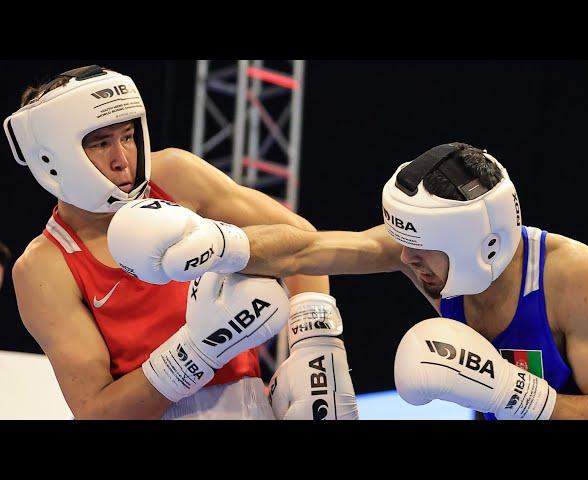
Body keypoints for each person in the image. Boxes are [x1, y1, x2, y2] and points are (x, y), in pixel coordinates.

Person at [118, 141, 588, 419]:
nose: (406, 261)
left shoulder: (574, 276)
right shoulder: (425, 253)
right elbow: (309, 248)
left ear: (481, 243)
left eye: (421, 249)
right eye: (402, 243)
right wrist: (225, 246)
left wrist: (518, 397)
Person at [5, 65, 358, 420]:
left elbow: (301, 244)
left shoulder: (174, 177)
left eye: (127, 136)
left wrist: (317, 349)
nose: (122, 159)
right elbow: (96, 411)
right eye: (100, 143)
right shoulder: (45, 266)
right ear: (53, 159)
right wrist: (198, 350)